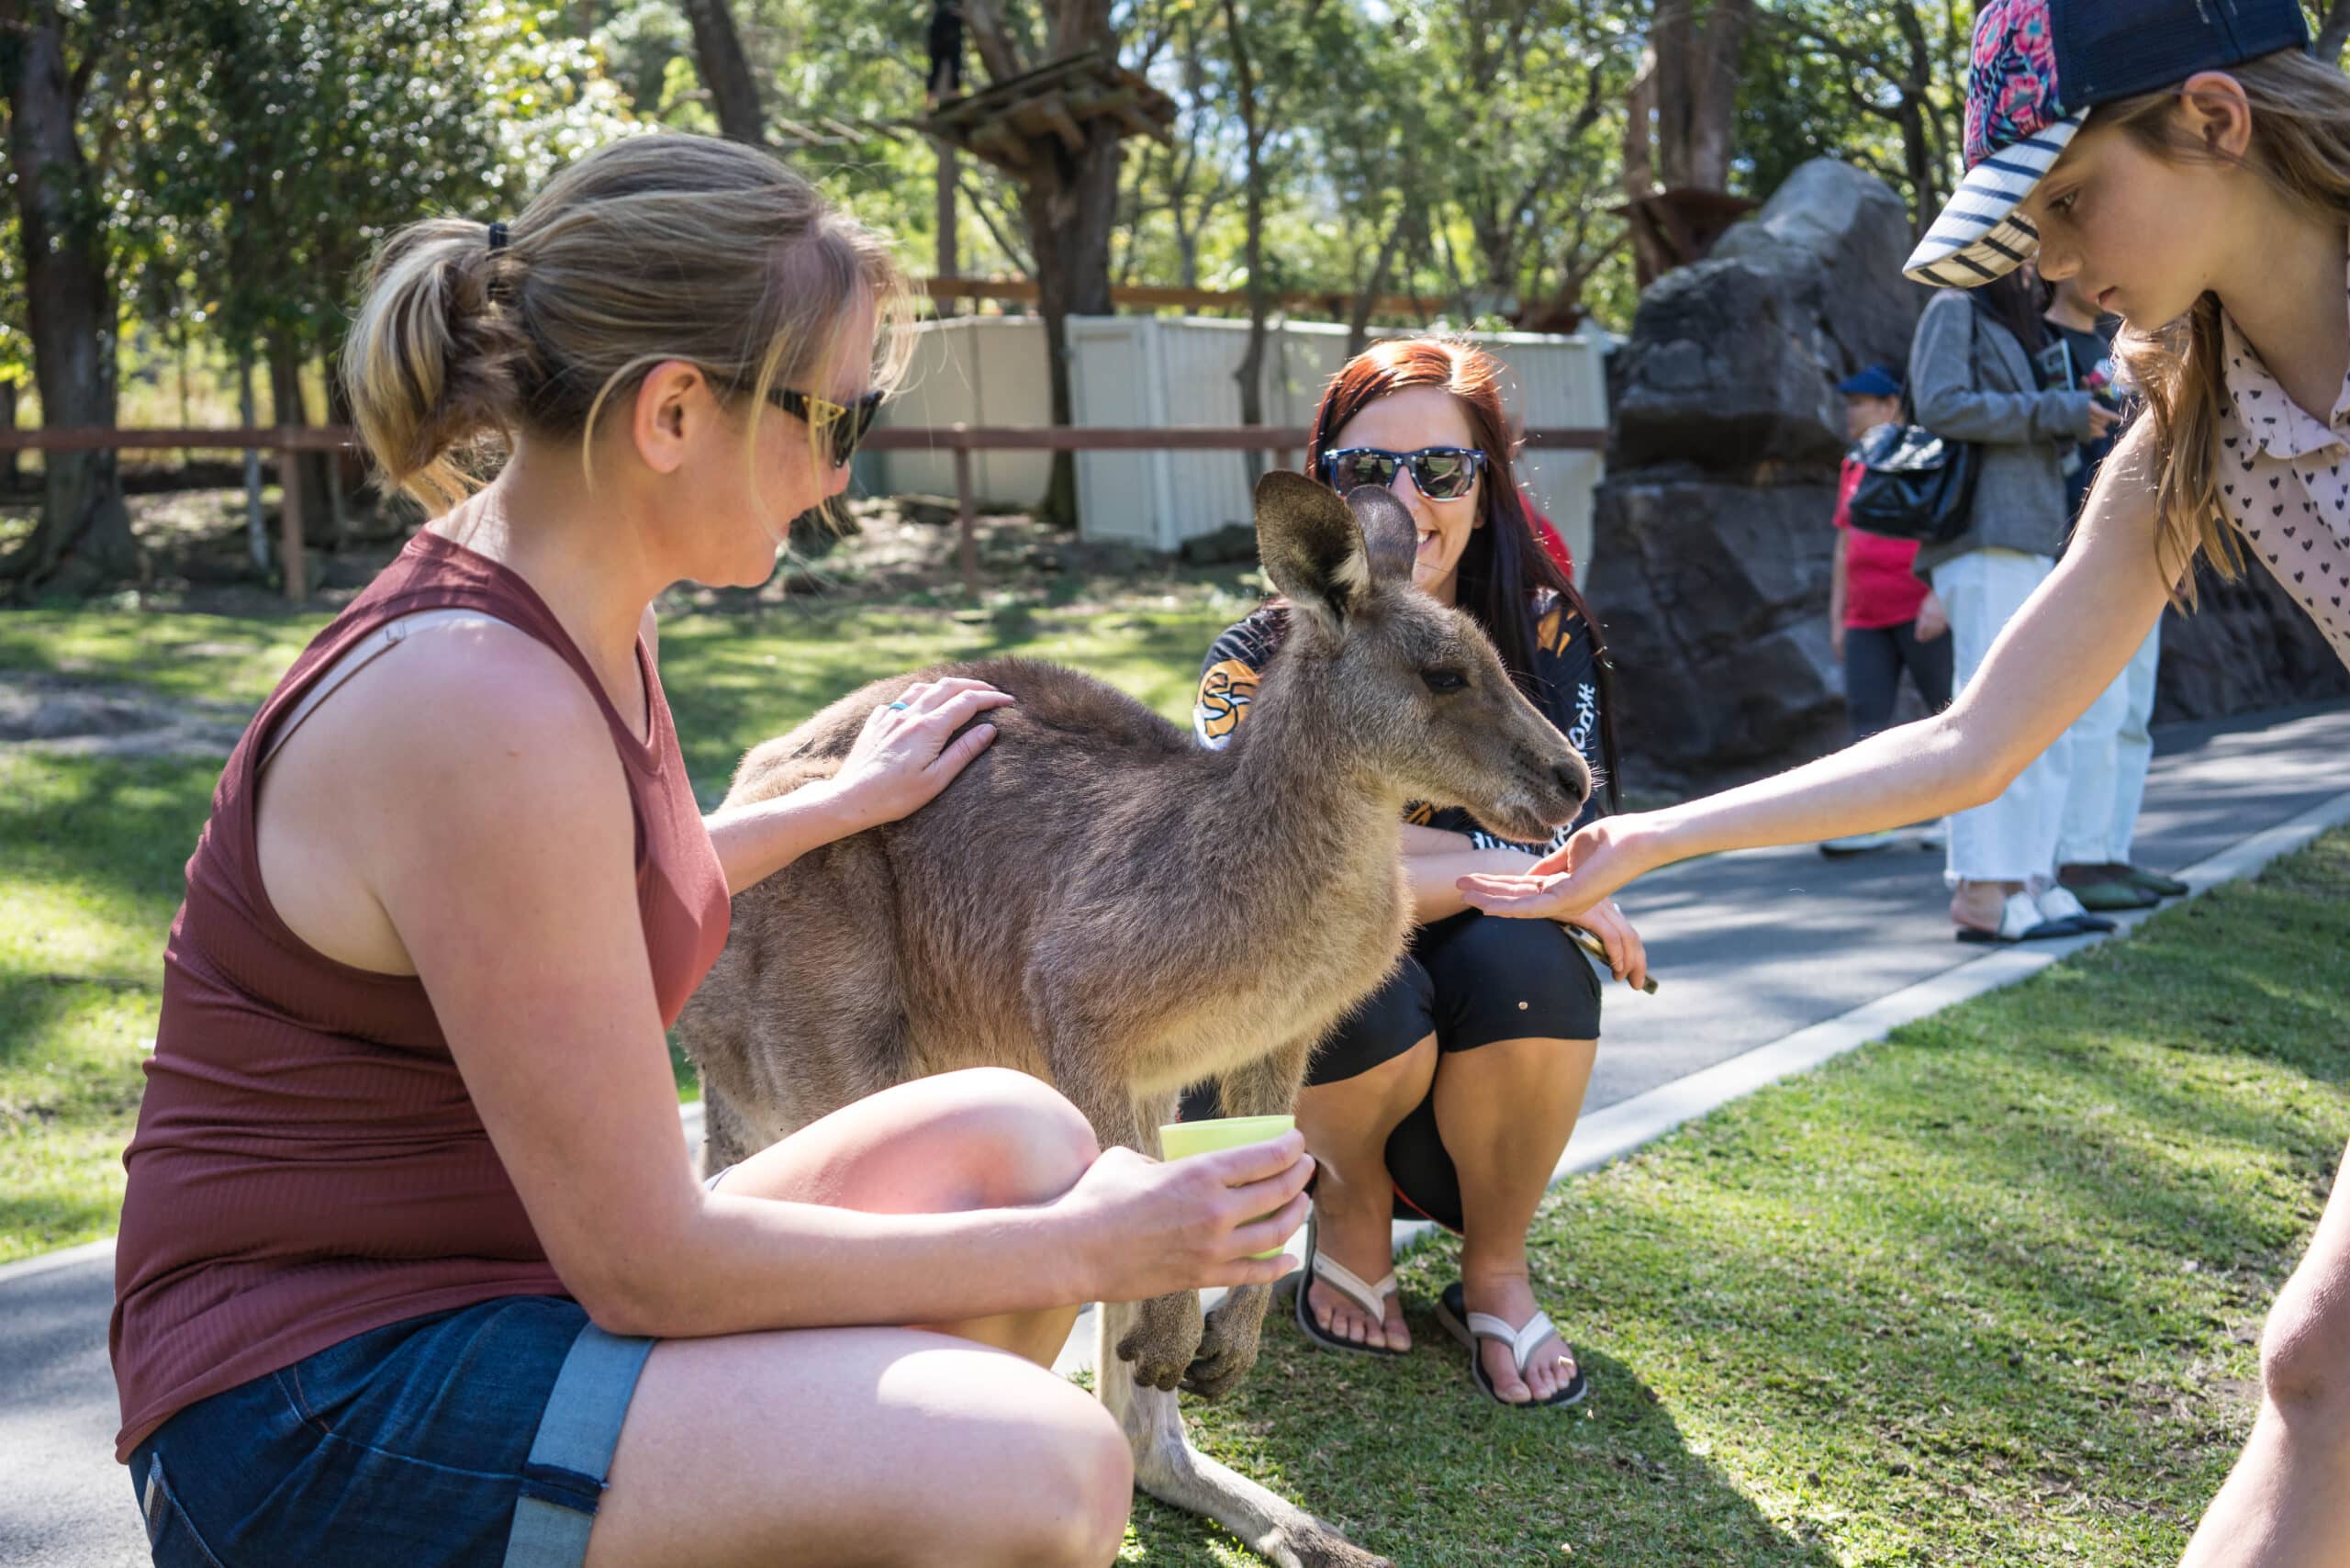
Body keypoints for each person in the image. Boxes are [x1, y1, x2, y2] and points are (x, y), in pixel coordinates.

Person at [108, 135, 1315, 1568]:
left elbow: (572, 897)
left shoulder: (584, 604)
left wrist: (825, 807)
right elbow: (647, 1264)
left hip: (500, 1286)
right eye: (834, 422)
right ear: (675, 410)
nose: (838, 481)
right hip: (310, 1405)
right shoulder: (475, 703)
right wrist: (1102, 1251)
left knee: (1022, 1135)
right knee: (1042, 1468)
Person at [1457, 4, 2350, 1560]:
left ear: (2214, 119)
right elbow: (1970, 742)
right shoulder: (2190, 424)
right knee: (2318, 1371)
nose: (2052, 262)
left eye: (2068, 201)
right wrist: (1655, 836)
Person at [1188, 338, 1646, 1408]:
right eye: (1365, 474)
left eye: (1441, 470)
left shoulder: (1542, 629)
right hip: (1287, 1034)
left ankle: (1493, 1263)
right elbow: (1279, 858)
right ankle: (1343, 1224)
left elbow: (1565, 833)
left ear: (1486, 490)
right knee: (1354, 966)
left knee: (1528, 962)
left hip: (1476, 1079)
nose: (1407, 496)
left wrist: (1529, 877)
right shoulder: (1267, 649)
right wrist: (1507, 863)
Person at [1906, 256, 2124, 940]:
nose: (2039, 257)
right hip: (1983, 535)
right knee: (1993, 715)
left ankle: (2032, 878)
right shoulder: (1956, 306)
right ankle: (1982, 890)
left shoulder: (2018, 320)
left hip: (2033, 536)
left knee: (2042, 714)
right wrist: (2053, 410)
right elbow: (1939, 402)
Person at [2042, 273, 2189, 911]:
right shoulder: (2037, 344)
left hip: (2141, 548)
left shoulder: (2121, 350)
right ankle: (2077, 859)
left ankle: (2111, 851)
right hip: (2069, 548)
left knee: (2132, 714)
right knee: (2095, 711)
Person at [1822, 364, 1953, 856]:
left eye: (1860, 402)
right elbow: (1844, 544)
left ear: (1890, 406)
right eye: (1849, 402)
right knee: (1865, 719)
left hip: (1918, 607)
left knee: (1947, 710)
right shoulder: (1852, 463)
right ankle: (1868, 820)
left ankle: (1959, 815)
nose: (1850, 411)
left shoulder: (1926, 453)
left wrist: (1937, 595)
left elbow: (1945, 528)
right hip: (1864, 615)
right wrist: (1838, 616)